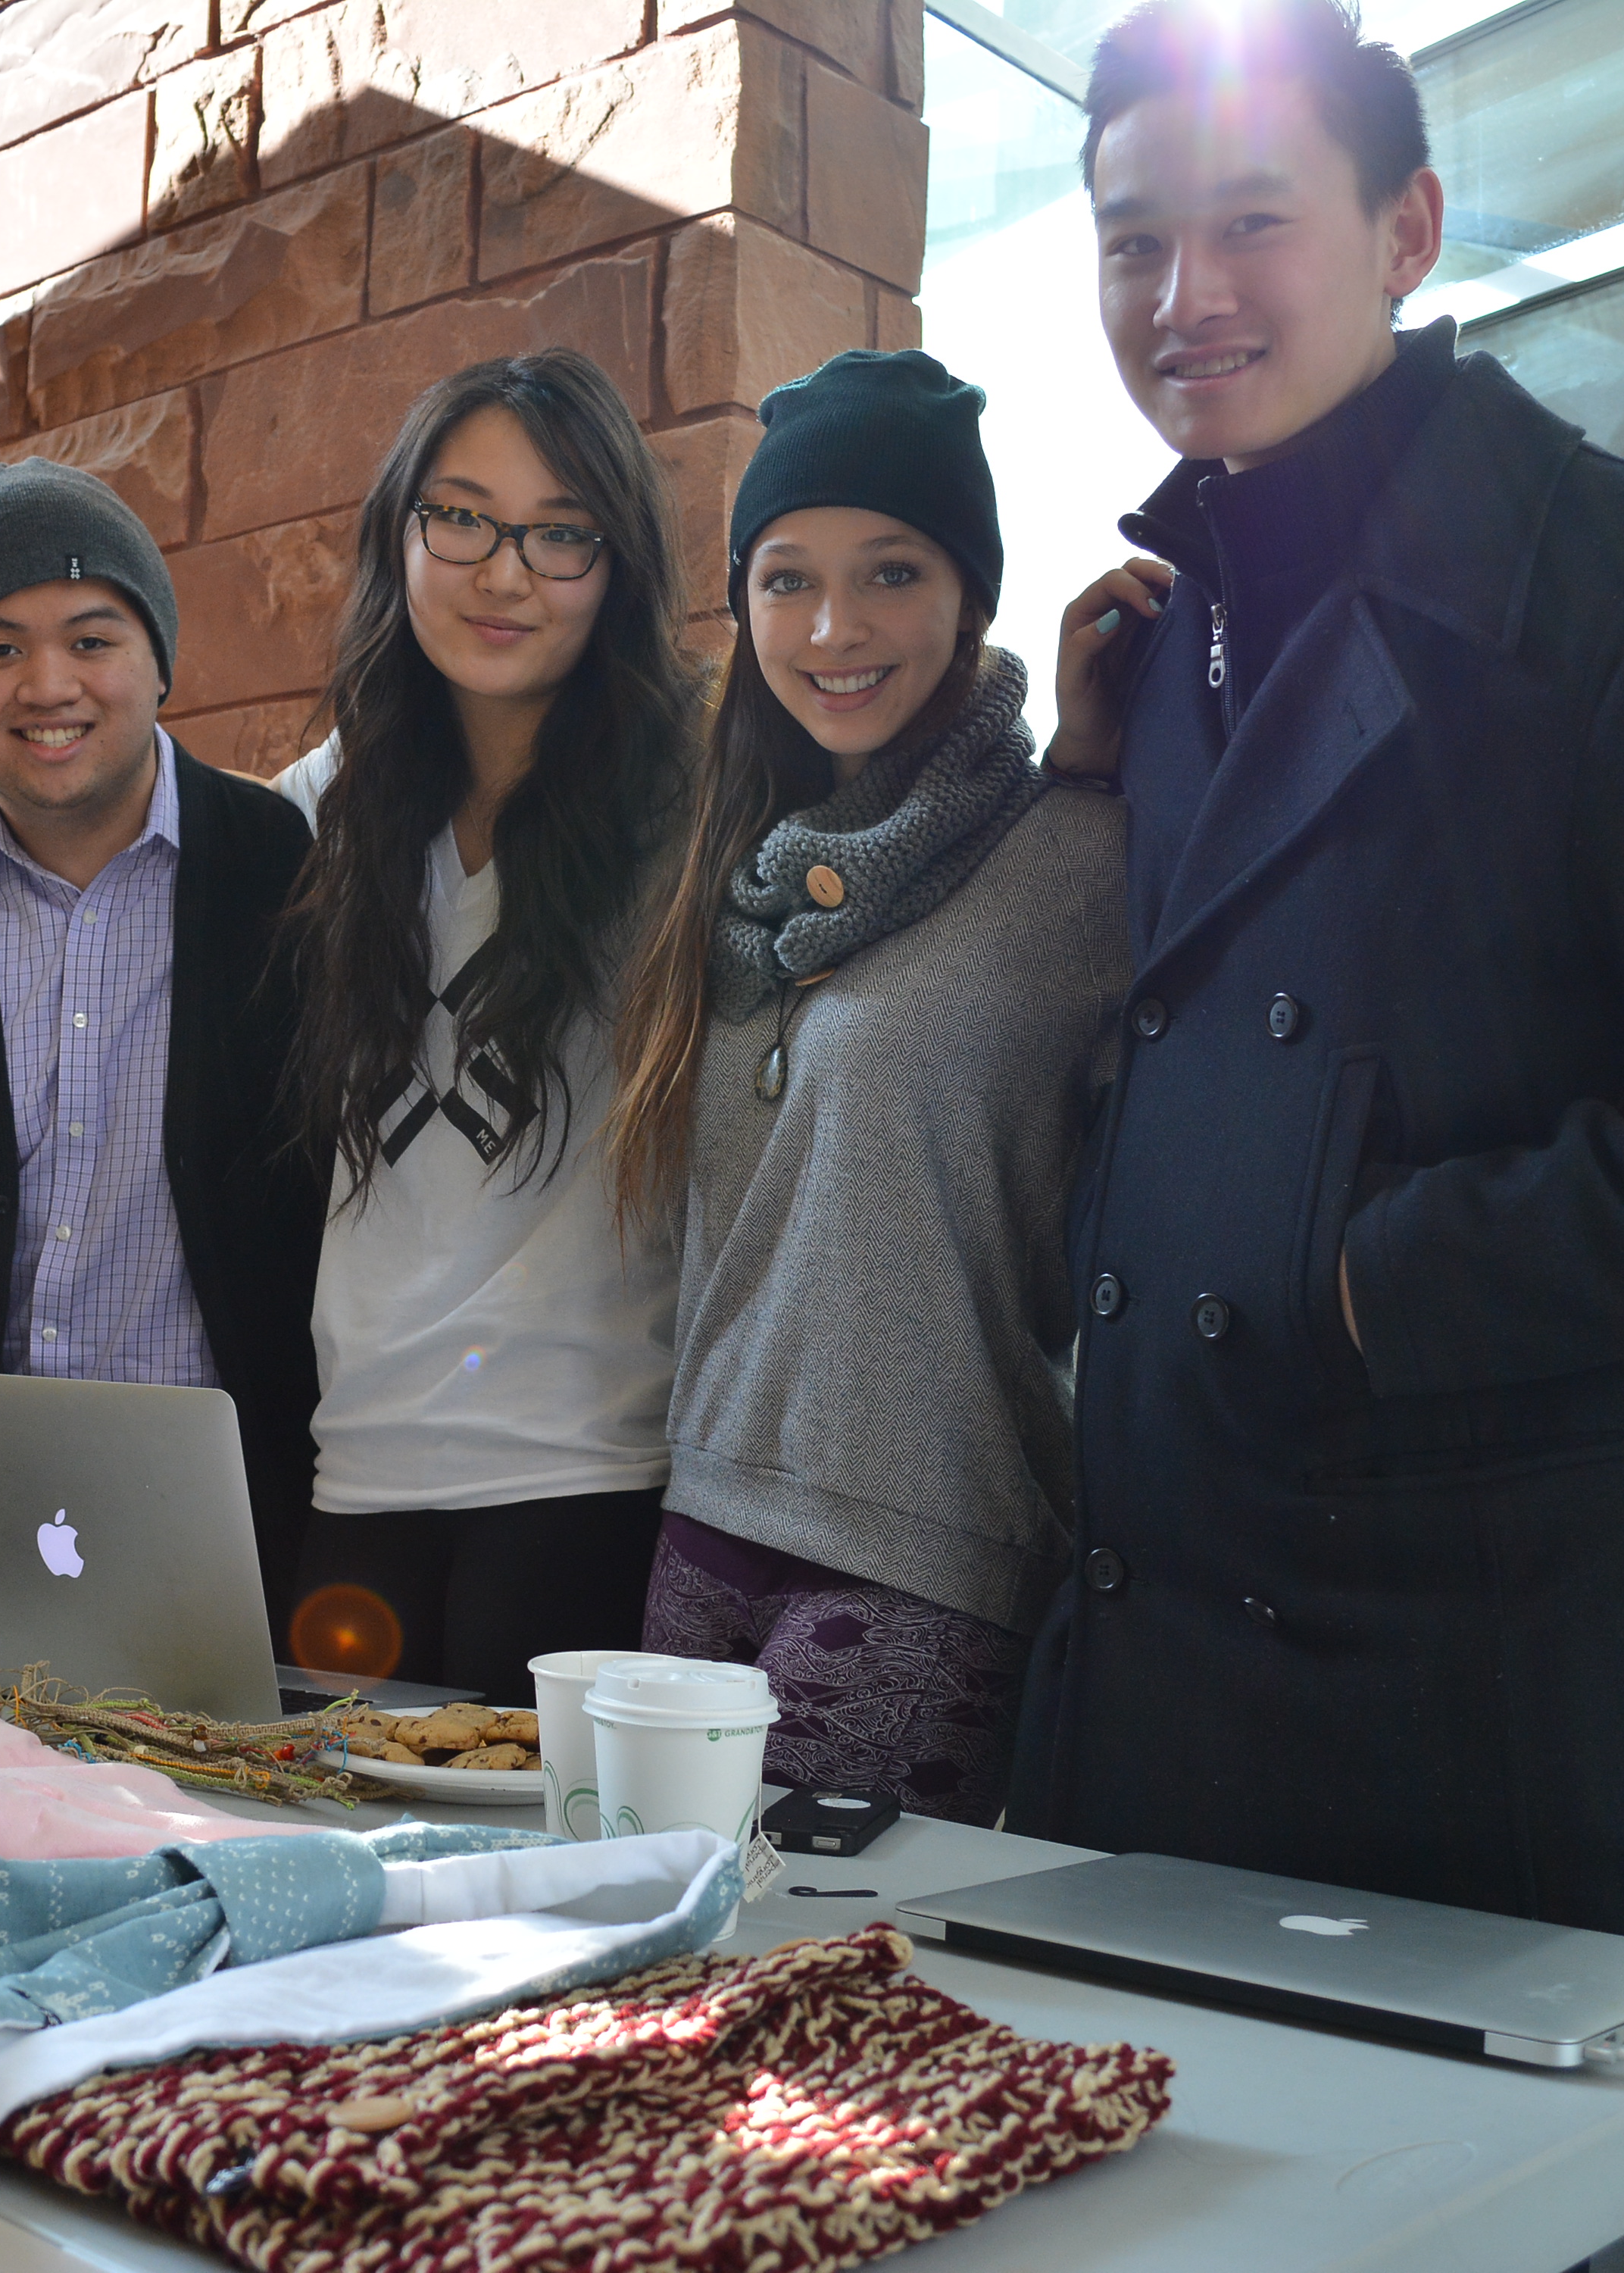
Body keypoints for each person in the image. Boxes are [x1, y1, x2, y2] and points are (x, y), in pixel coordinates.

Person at [1011, 0, 1624, 1944]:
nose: (1184, 292)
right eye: (1131, 240)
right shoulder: (1180, 642)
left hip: (1455, 1710)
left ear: (1407, 229)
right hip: (1157, 1671)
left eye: (1253, 221)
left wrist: (1375, 1277)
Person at [0, 355, 700, 1703]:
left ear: (619, 560)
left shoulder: (689, 809)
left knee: (517, 1891)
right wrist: (14, 770)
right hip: (357, 1467)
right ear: (402, 535)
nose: (503, 570)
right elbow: (158, 803)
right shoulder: (333, 809)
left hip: (586, 1464)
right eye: (460, 518)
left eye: (561, 532)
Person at [608, 351, 1126, 1825]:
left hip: (925, 1551)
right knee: (653, 1974)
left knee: (823, 2003)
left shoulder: (1079, 848)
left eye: (891, 572)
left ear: (971, 594)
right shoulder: (728, 876)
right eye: (785, 579)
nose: (833, 627)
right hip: (699, 1525)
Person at [0, 458, 323, 1601]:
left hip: (252, 1536)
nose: (47, 684)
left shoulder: (287, 875)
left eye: (92, 640)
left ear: (158, 663)